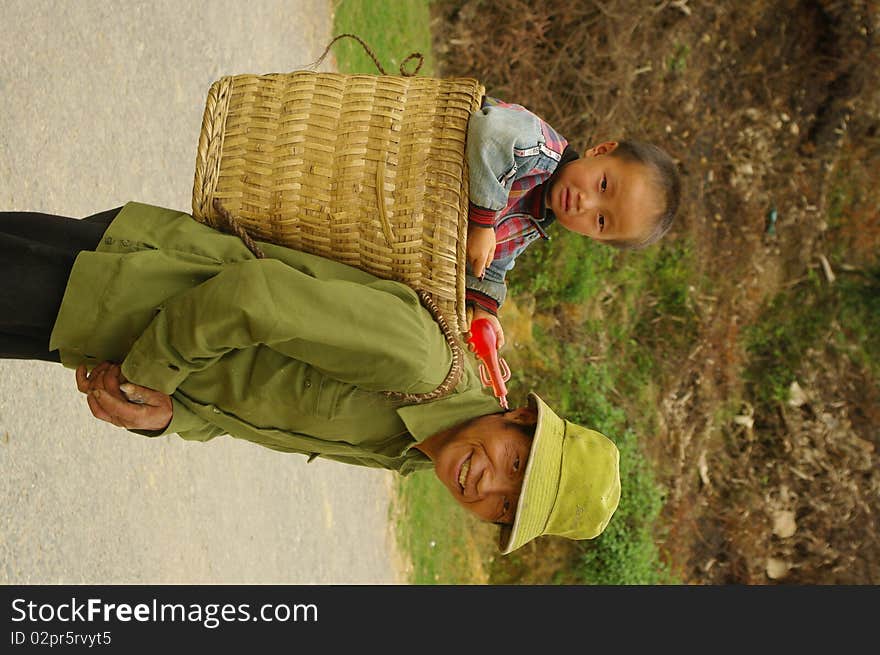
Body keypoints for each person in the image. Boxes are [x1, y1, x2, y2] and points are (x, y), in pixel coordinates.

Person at [0, 202, 621, 554]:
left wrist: (166, 415)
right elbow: (258, 295)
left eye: (505, 509)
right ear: (519, 417)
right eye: (516, 464)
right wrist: (144, 376)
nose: (488, 487)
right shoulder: (423, 365)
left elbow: (254, 399)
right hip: (126, 287)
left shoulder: (409, 450)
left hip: (104, 329)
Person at [464, 97, 682, 348]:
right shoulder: (540, 147)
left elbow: (491, 263)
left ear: (597, 238)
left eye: (601, 221)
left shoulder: (533, 221)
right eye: (603, 185)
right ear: (601, 150)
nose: (585, 204)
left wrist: (485, 307)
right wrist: (483, 221)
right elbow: (490, 134)